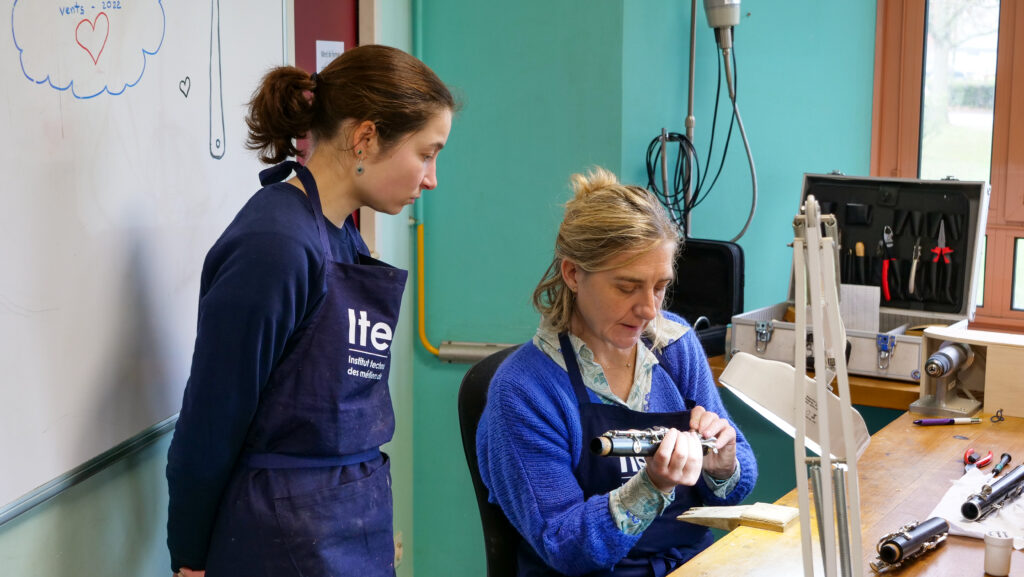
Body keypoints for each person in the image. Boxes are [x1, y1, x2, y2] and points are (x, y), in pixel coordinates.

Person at [165, 45, 455, 577]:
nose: (432, 178)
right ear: (366, 137)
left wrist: (364, 515)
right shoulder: (274, 244)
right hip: (278, 537)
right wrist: (189, 555)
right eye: (427, 153)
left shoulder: (344, 234)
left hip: (346, 521)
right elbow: (211, 417)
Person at [476, 167, 758, 577]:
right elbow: (564, 545)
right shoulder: (524, 391)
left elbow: (737, 484)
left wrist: (723, 465)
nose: (649, 310)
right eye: (627, 287)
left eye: (660, 286)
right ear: (573, 274)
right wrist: (651, 487)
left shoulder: (674, 346)